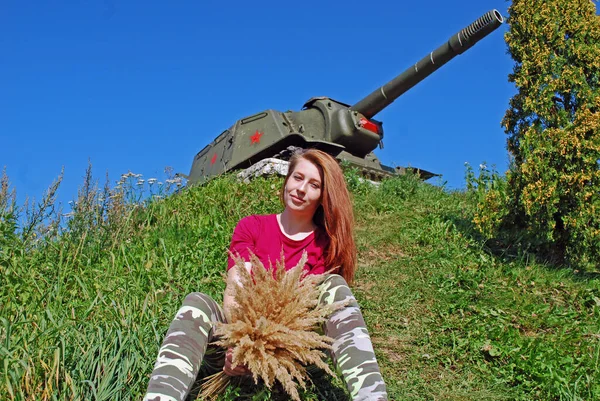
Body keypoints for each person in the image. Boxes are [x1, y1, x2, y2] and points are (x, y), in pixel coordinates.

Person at [144, 149, 388, 401]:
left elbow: (313, 314)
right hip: (235, 346)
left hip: (291, 354)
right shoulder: (252, 226)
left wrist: (273, 350)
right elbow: (236, 287)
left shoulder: (327, 244)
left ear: (323, 196)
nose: (301, 189)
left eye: (314, 185)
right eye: (297, 177)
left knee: (335, 286)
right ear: (287, 180)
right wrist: (237, 347)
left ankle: (371, 396)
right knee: (197, 302)